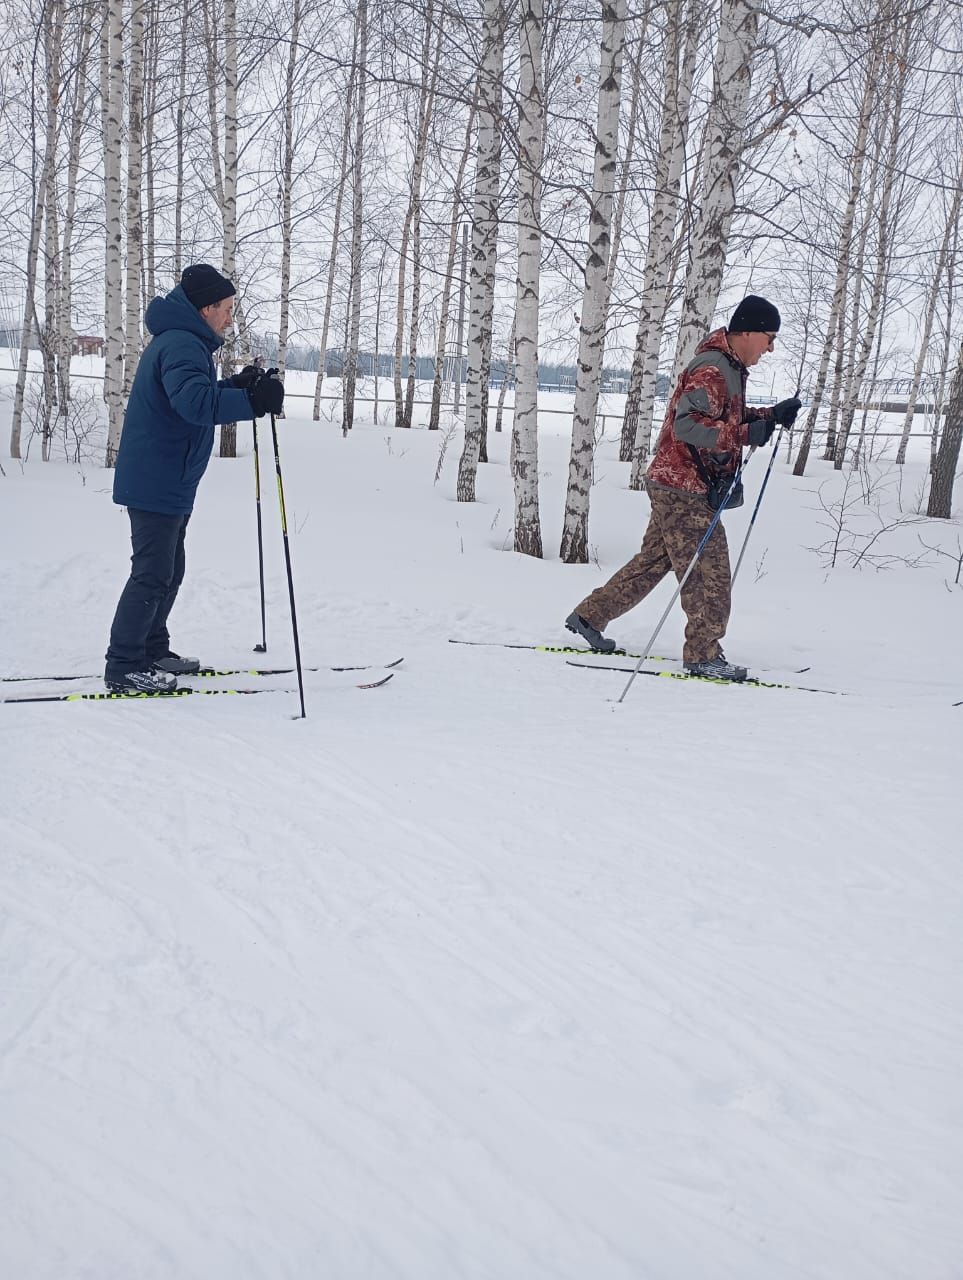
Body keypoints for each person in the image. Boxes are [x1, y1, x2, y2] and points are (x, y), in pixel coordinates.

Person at [565, 295, 801, 682]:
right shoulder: (713, 369)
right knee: (710, 573)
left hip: (673, 481)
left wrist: (769, 415)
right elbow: (687, 426)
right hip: (684, 486)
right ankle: (703, 654)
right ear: (746, 331)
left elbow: (725, 417)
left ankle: (589, 617)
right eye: (768, 337)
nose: (770, 347)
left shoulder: (729, 366)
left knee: (653, 562)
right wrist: (745, 434)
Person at [104, 264, 285, 693]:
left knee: (169, 568)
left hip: (168, 476)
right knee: (152, 572)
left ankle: (151, 649)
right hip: (157, 477)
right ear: (205, 308)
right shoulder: (183, 344)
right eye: (225, 308)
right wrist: (252, 401)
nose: (229, 317)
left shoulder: (186, 342)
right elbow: (194, 405)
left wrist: (239, 386)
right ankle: (124, 663)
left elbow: (193, 394)